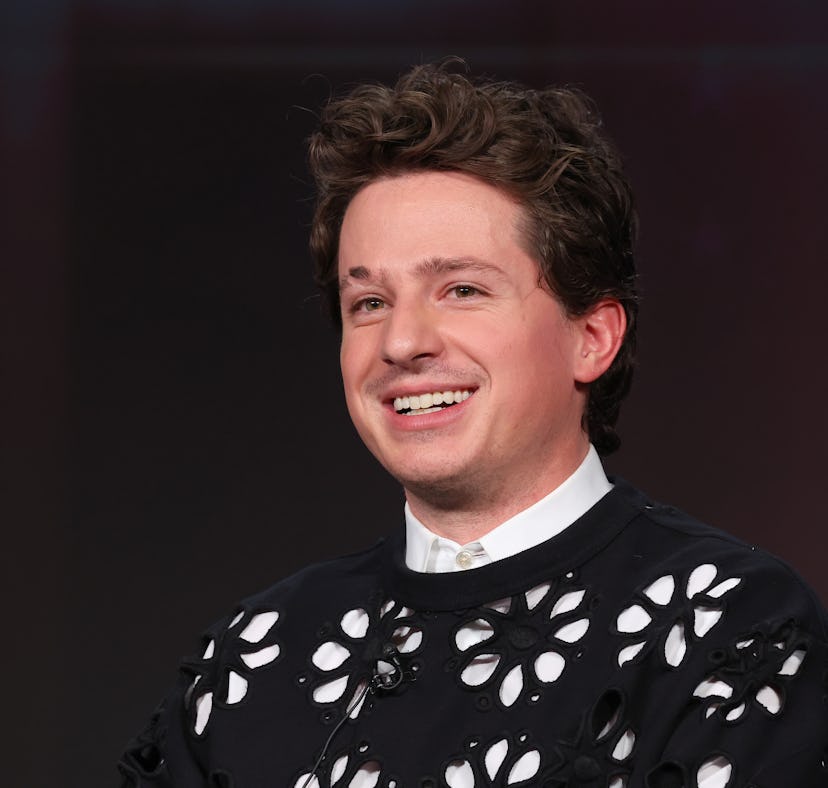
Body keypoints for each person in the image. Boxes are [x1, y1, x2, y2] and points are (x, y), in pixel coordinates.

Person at [119, 62, 828, 788]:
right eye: (369, 303)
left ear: (592, 337)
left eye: (461, 289)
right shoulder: (255, 651)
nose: (401, 342)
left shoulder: (731, 623)